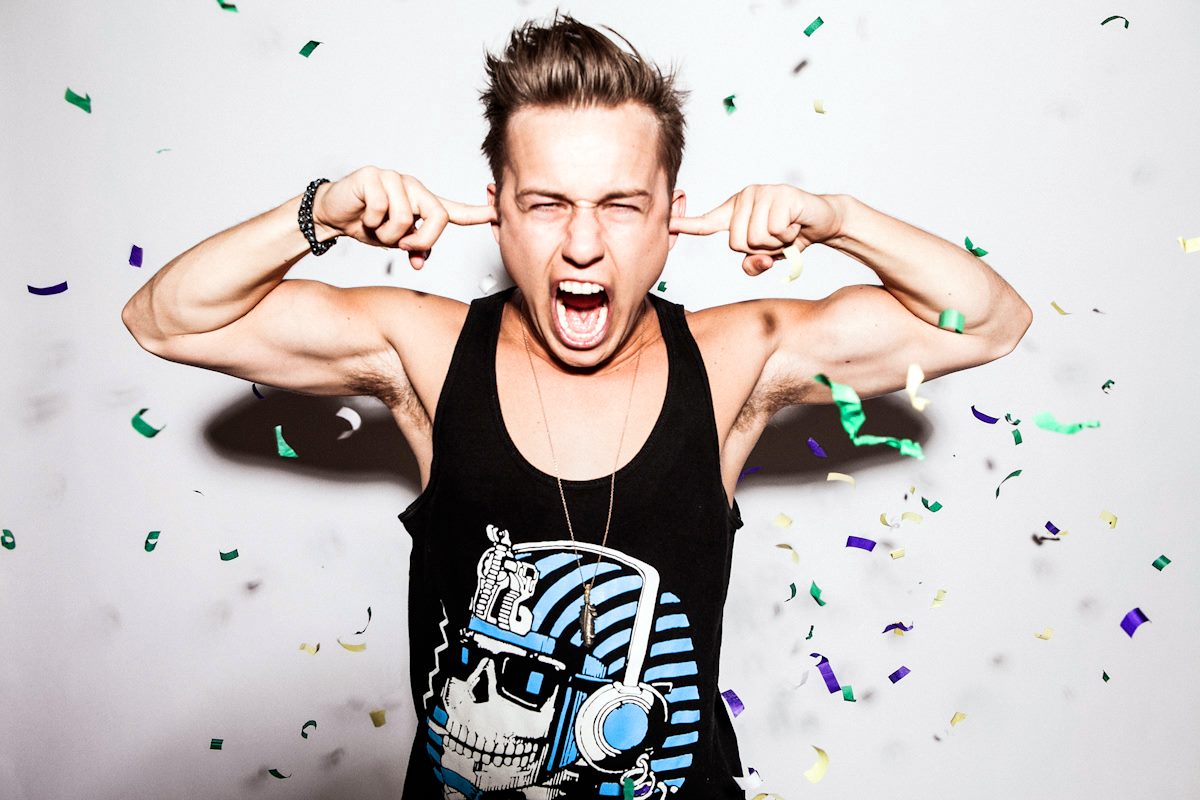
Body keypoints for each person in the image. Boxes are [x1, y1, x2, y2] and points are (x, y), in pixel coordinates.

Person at [122, 13, 1031, 799]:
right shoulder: (429, 351)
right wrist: (320, 210)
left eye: (622, 205)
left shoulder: (734, 357)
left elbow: (988, 323)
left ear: (673, 216)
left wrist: (838, 219)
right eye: (548, 203)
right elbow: (165, 319)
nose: (584, 245)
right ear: (498, 212)